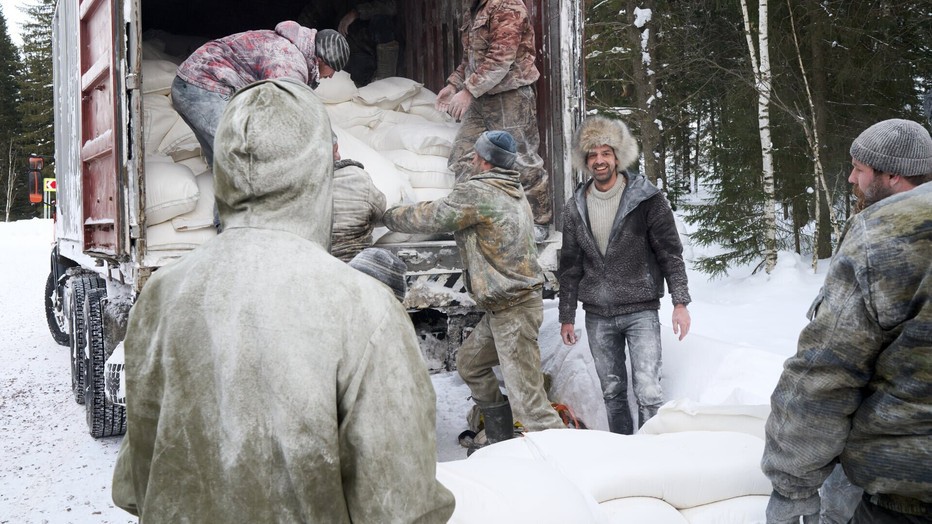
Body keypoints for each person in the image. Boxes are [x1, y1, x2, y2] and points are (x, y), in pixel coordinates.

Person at [111, 79, 455, 522]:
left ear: (223, 164)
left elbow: (134, 486)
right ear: (319, 167)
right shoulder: (364, 307)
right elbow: (400, 506)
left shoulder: (160, 294)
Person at [762, 119, 932, 524]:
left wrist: (792, 487)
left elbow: (826, 372)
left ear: (892, 175)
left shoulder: (885, 234)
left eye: (859, 168)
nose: (852, 179)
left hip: (907, 490)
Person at [381, 130, 565, 451]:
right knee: (469, 364)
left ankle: (571, 460)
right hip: (506, 307)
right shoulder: (512, 189)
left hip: (514, 309)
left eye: (478, 155)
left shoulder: (479, 192)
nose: (473, 159)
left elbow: (432, 217)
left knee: (530, 406)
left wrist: (386, 215)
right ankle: (499, 437)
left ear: (484, 160)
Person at [558, 115, 691, 435]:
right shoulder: (575, 207)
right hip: (598, 315)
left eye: (606, 153)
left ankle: (652, 453)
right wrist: (566, 316)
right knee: (612, 393)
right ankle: (624, 452)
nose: (599, 160)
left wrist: (680, 302)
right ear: (585, 161)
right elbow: (570, 265)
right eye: (592, 154)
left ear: (617, 157)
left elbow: (670, 252)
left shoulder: (646, 199)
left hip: (640, 310)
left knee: (649, 392)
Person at [436, 0, 551, 232]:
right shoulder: (474, 10)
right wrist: (453, 84)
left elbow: (501, 58)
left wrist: (468, 91)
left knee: (522, 161)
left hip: (510, 96)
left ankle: (537, 223)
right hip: (480, 97)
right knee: (464, 157)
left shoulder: (507, 6)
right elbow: (470, 60)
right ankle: (472, 220)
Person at [171, 22, 350, 166]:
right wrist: (328, 142)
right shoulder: (288, 61)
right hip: (202, 88)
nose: (331, 76)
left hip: (196, 84)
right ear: (320, 60)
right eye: (333, 69)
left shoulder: (293, 51)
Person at [330, 134, 387, 262]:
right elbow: (379, 211)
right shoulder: (357, 177)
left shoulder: (294, 182)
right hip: (356, 262)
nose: (338, 156)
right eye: (335, 150)